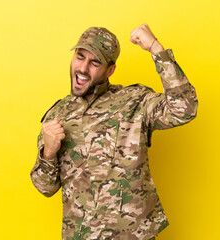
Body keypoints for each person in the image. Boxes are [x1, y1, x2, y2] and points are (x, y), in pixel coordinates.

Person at [30, 23, 198, 240]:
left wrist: (156, 48)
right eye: (80, 57)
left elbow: (184, 108)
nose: (82, 68)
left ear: (109, 71)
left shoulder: (134, 101)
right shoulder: (58, 115)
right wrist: (48, 153)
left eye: (94, 62)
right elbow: (45, 188)